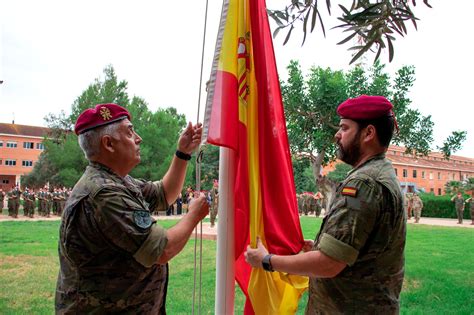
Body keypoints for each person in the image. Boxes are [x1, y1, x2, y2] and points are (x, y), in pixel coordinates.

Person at [245, 95, 406, 314]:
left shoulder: (363, 184)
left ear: (369, 133)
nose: (337, 135)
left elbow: (328, 264)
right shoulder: (379, 173)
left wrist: (266, 260)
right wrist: (323, 246)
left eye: (345, 128)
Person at [55, 103, 209, 313]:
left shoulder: (116, 181)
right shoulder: (104, 193)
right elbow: (162, 249)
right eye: (129, 131)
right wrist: (194, 215)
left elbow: (164, 194)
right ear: (108, 144)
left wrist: (182, 153)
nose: (138, 138)